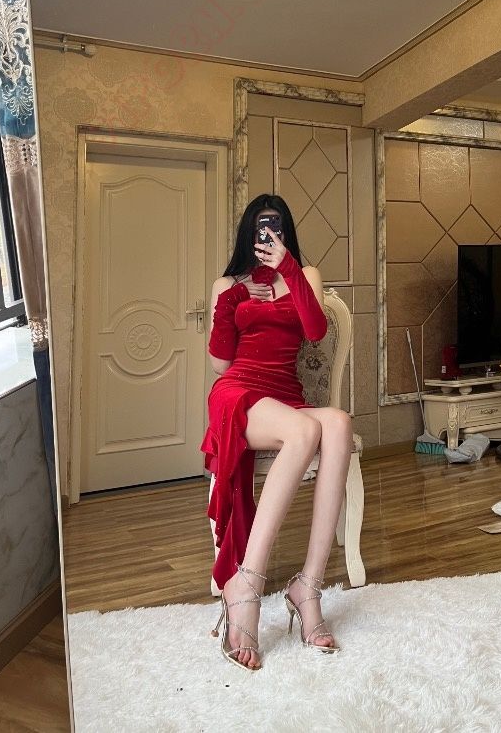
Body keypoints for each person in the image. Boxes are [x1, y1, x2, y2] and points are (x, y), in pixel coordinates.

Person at [201, 194, 354, 671]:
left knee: (338, 422)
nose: (267, 235)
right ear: (249, 232)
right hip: (239, 393)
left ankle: (308, 586)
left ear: (286, 232)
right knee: (305, 429)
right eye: (260, 227)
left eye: (276, 227)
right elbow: (219, 363)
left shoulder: (305, 275)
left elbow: (314, 331)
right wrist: (233, 299)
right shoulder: (227, 284)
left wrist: (287, 268)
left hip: (285, 394)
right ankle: (246, 583)